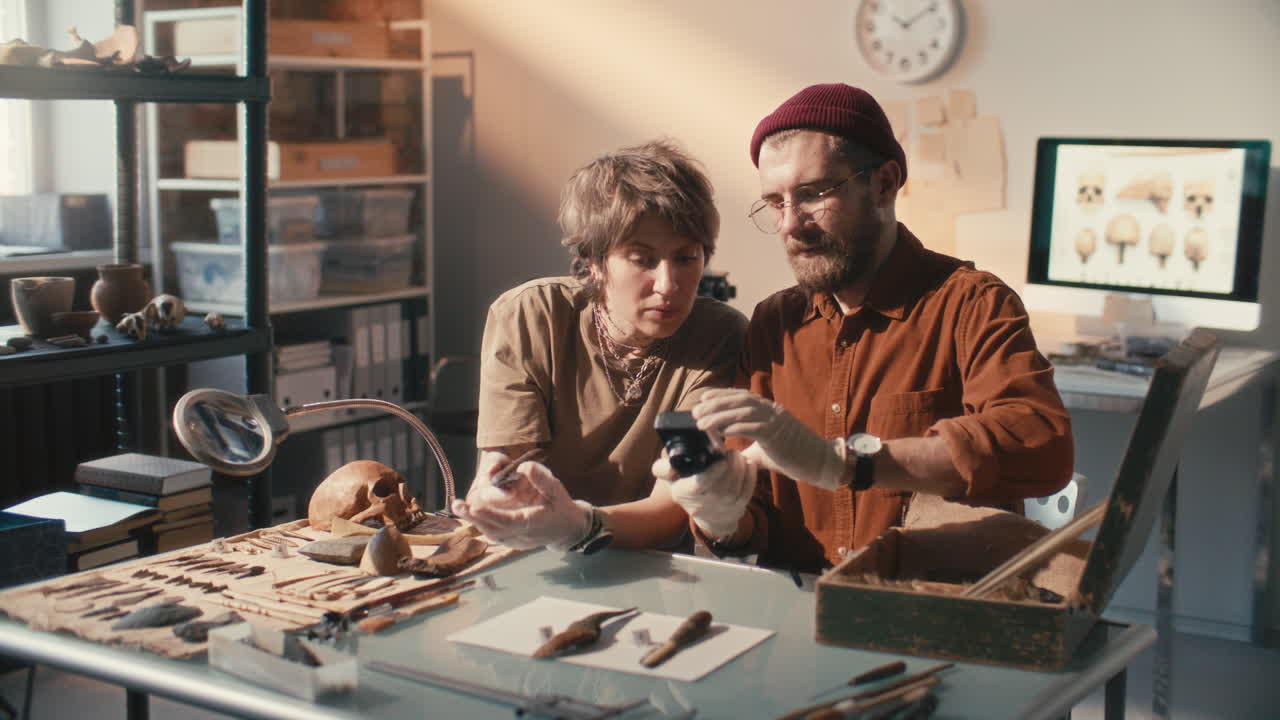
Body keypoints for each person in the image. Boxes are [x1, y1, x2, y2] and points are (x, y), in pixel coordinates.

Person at [657, 84, 1074, 573]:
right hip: (803, 614)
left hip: (927, 614)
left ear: (884, 184)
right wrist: (719, 515)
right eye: (775, 202)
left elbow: (1044, 448)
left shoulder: (972, 304)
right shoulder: (774, 324)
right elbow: (757, 519)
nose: (791, 224)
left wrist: (848, 463)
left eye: (812, 194)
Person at [452, 139, 747, 554]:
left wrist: (578, 524)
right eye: (642, 259)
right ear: (594, 260)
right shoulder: (531, 315)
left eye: (686, 258)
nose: (668, 285)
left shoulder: (719, 336)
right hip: (536, 556)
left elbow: (672, 512)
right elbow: (505, 467)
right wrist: (496, 499)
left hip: (652, 569)